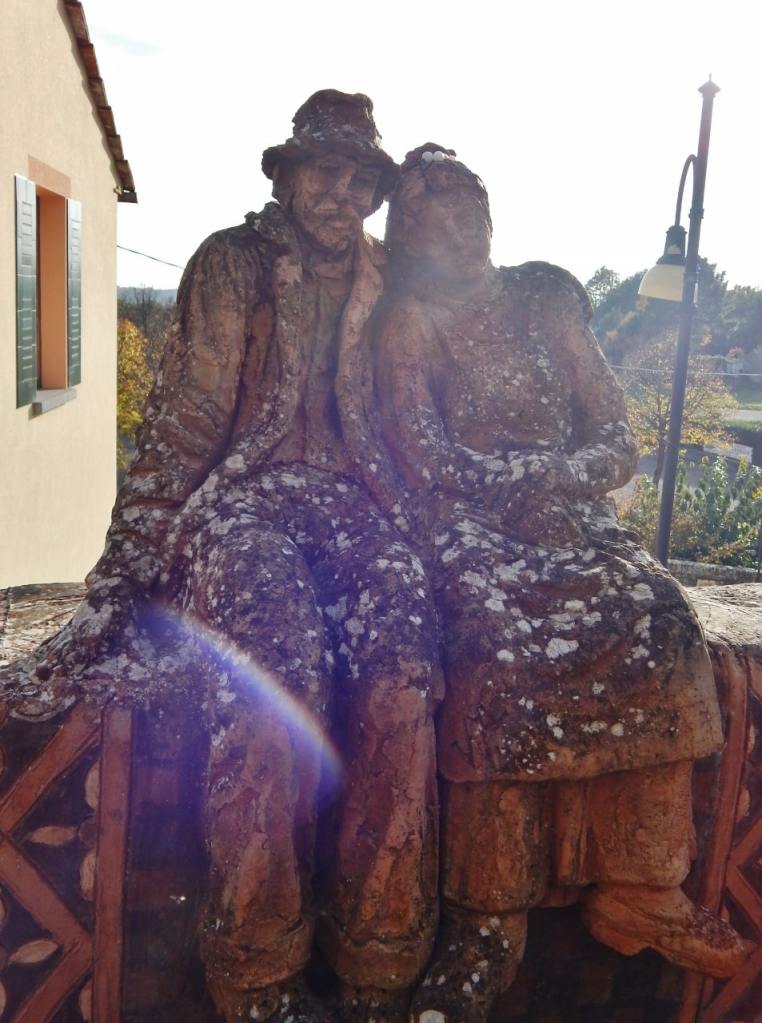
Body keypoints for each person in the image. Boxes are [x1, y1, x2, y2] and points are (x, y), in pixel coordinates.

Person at [1, 96, 443, 1023]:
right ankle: (257, 969)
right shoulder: (231, 264)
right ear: (285, 178)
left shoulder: (386, 279)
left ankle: (377, 959)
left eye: (359, 178)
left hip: (357, 510)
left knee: (404, 676)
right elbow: (185, 420)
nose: (341, 192)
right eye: (323, 171)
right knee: (273, 677)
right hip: (243, 507)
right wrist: (126, 565)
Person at [339, 144, 750, 1023]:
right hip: (470, 528)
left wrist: (557, 477)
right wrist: (506, 488)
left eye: (466, 201)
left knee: (660, 619)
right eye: (432, 209)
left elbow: (617, 437)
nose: (456, 222)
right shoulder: (410, 322)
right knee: (493, 648)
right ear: (408, 232)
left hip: (570, 516)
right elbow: (422, 455)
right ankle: (488, 917)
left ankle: (644, 883)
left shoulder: (545, 297)